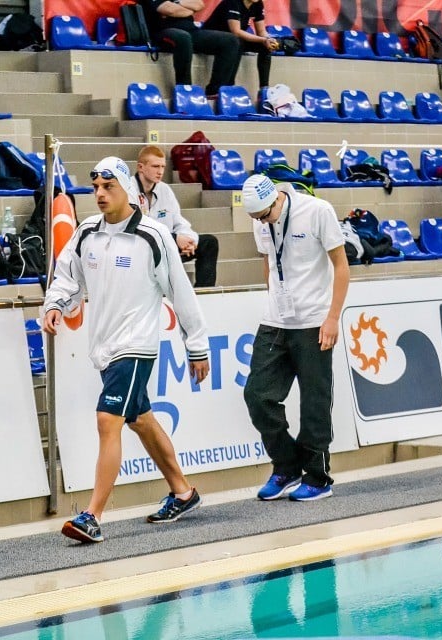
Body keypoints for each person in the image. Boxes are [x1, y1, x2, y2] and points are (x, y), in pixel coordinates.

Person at [42, 156, 210, 543]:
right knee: (140, 419)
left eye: (108, 187)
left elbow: (181, 295)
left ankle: (91, 516)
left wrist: (196, 347)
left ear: (126, 189)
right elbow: (67, 278)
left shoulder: (153, 236)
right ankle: (183, 492)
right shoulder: (87, 233)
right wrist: (54, 305)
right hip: (103, 345)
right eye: (95, 188)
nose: (99, 195)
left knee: (108, 419)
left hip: (136, 345)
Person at [240, 174, 349, 502]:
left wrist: (333, 318)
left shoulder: (317, 211)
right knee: (257, 396)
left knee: (315, 402)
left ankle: (318, 477)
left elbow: (341, 267)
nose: (262, 222)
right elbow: (269, 262)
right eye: (256, 219)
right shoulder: (261, 218)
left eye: (265, 215)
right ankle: (286, 466)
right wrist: (273, 297)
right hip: (275, 321)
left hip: (315, 320)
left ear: (277, 200)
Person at [135, 145, 219, 287]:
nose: (160, 172)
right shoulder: (128, 191)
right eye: (156, 166)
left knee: (209, 243)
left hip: (169, 247)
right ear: (141, 167)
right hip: (143, 250)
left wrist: (189, 240)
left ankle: (204, 295)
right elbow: (139, 229)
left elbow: (179, 222)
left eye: (163, 167)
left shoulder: (165, 189)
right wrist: (175, 239)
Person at [139, 0, 241, 98]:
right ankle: (185, 88)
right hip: (163, 31)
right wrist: (188, 9)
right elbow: (170, 10)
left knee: (231, 40)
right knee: (183, 37)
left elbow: (199, 5)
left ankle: (215, 91)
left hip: (191, 31)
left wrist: (176, 4)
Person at [202, 0, 278, 90]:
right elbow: (236, 32)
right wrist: (263, 40)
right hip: (213, 39)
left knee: (265, 46)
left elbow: (261, 31)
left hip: (233, 41)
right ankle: (227, 86)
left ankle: (264, 89)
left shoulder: (258, 4)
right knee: (237, 42)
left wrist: (269, 39)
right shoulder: (233, 2)